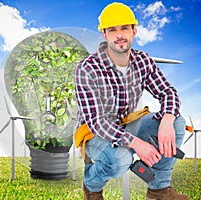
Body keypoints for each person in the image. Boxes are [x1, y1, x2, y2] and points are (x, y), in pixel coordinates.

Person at [74, 2, 189, 200]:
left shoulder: (143, 60)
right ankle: (92, 186)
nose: (119, 35)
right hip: (95, 132)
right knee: (121, 159)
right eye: (112, 29)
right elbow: (97, 121)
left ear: (134, 31)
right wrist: (137, 144)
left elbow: (167, 91)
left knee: (177, 122)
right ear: (104, 34)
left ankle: (158, 190)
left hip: (130, 123)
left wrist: (168, 119)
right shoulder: (87, 69)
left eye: (125, 28)